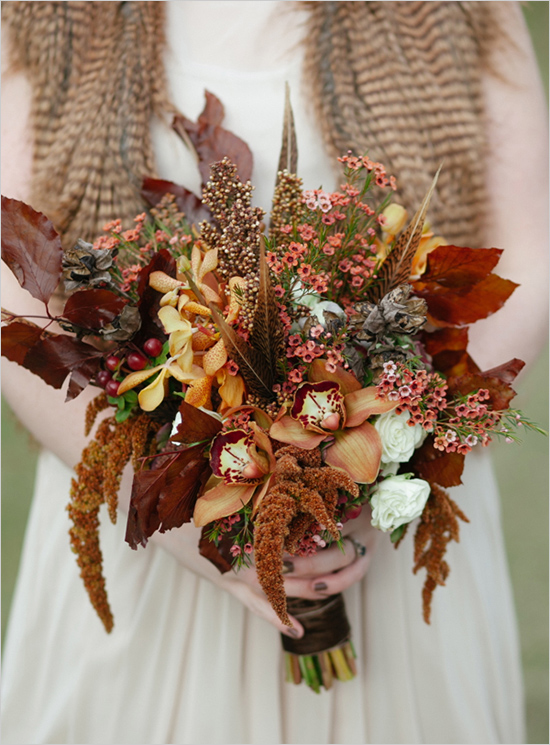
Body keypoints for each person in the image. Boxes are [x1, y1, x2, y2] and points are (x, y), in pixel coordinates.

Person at [1, 2, 547, 743]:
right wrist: (192, 527)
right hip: (151, 533)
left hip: (385, 524)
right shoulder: (49, 14)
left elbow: (529, 246)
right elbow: (11, 294)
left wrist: (388, 456)